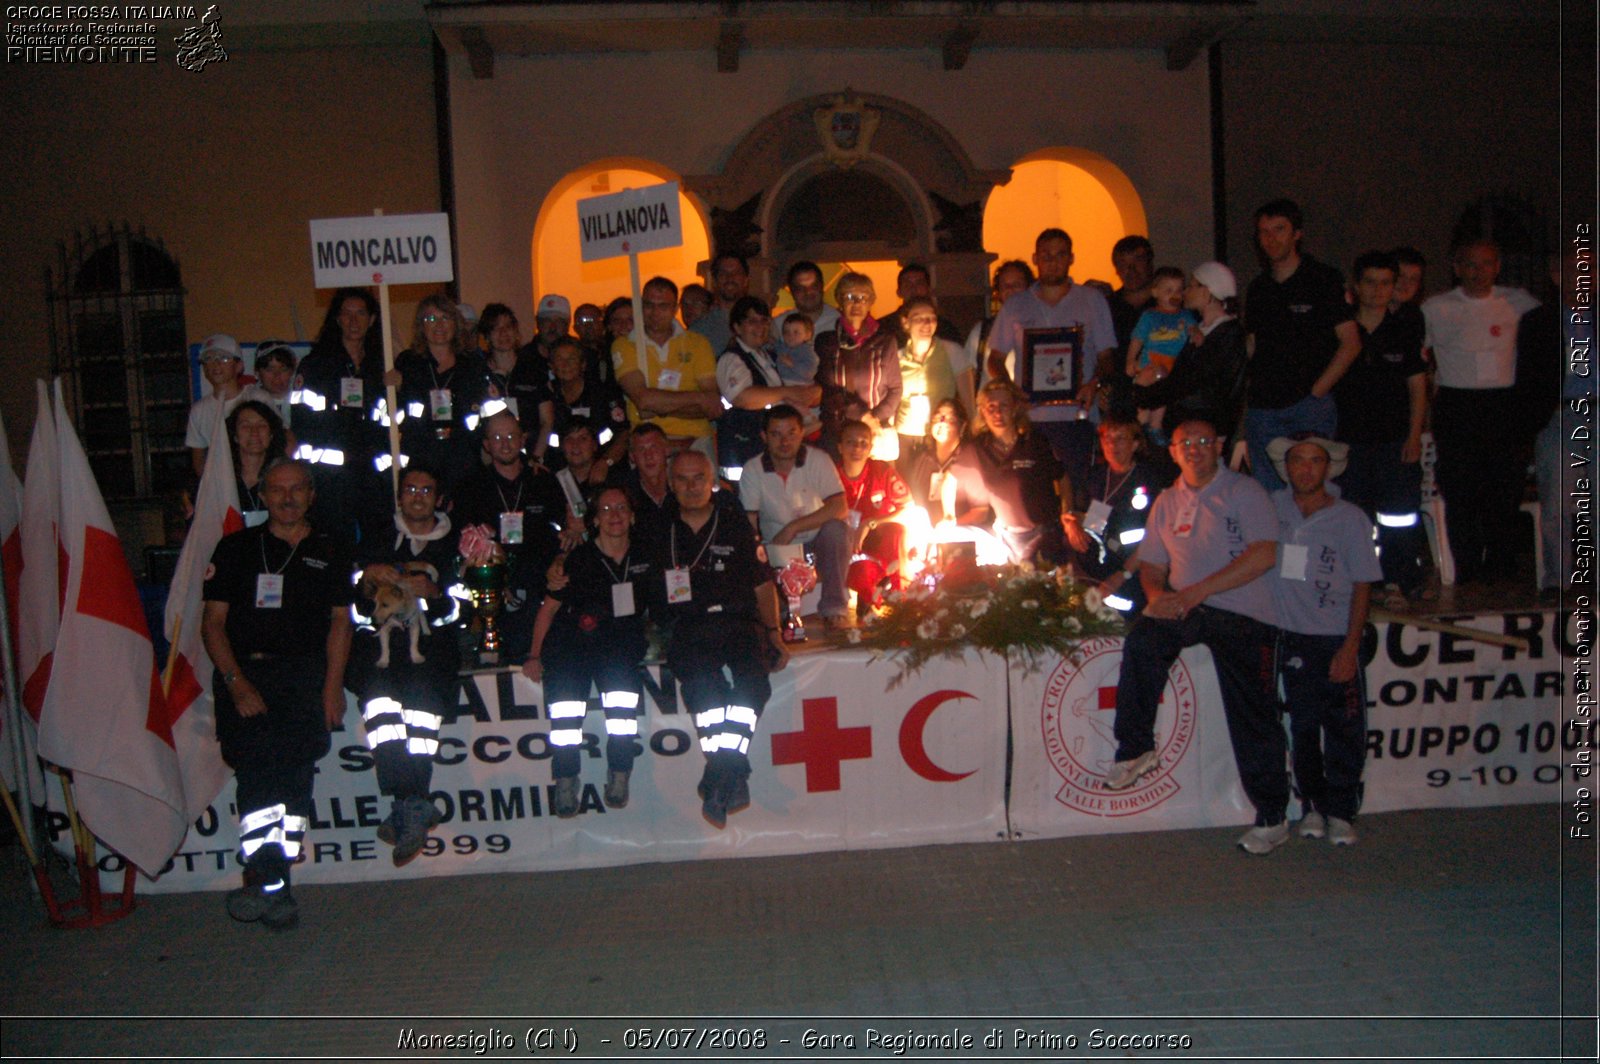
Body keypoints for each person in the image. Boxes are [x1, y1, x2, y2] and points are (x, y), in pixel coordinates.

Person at [1103, 419, 1289, 856]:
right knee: (1144, 640)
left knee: (1253, 713)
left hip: (1241, 610)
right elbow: (1151, 560)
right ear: (1171, 451)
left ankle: (1273, 815)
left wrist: (1197, 591)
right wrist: (1155, 596)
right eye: (1186, 443)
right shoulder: (1167, 500)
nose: (1195, 449)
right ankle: (1135, 749)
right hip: (1186, 605)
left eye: (1205, 441)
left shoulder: (1244, 492)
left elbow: (1264, 554)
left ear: (1220, 446)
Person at [201, 458, 353, 929]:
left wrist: (333, 688)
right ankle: (270, 879)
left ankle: (274, 880)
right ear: (262, 496)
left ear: (311, 494)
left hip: (305, 681)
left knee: (293, 783)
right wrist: (236, 683)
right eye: (277, 490)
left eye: (297, 489)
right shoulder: (235, 549)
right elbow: (213, 625)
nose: (287, 498)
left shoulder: (330, 550)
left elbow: (341, 623)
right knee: (260, 780)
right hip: (246, 679)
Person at [655, 449, 787, 828]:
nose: (692, 486)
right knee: (705, 693)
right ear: (670, 483)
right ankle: (731, 773)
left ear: (711, 481)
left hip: (738, 622)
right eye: (682, 479)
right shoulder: (657, 528)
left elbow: (762, 584)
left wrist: (775, 633)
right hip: (689, 627)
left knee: (752, 687)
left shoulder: (734, 524)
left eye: (699, 478)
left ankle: (718, 775)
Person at [1266, 434, 1381, 847]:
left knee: (1345, 728)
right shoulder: (1271, 508)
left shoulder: (1350, 518)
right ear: (1287, 467)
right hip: (1290, 636)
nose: (1307, 468)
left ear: (1328, 467)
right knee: (1302, 726)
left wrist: (1350, 647)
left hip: (1334, 636)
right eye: (1299, 461)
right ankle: (1312, 805)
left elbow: (1364, 584)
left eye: (1316, 461)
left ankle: (1342, 810)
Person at [348, 463, 458, 865]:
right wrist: (364, 583)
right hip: (381, 659)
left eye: (426, 490)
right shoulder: (376, 540)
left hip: (430, 656)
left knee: (421, 724)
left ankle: (405, 808)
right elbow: (356, 612)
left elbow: (458, 613)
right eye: (410, 489)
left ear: (438, 498)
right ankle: (413, 805)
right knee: (382, 717)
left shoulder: (454, 543)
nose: (417, 496)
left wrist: (435, 595)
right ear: (399, 496)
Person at [526, 486, 655, 816]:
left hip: (620, 650)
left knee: (623, 720)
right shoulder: (577, 560)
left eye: (622, 507)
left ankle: (620, 773)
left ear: (633, 516)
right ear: (594, 520)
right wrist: (534, 654)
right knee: (565, 721)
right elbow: (548, 610)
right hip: (572, 650)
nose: (614, 515)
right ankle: (566, 779)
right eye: (606, 509)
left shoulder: (645, 555)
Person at [1421, 239, 1540, 583]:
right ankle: (1469, 569)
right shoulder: (1436, 307)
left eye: (1486, 264)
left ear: (1497, 266)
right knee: (1460, 491)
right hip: (1458, 405)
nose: (1478, 272)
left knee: (1504, 489)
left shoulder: (1520, 303)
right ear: (1456, 267)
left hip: (1503, 406)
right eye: (1470, 265)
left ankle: (1502, 566)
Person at [986, 228, 1118, 507]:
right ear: (1035, 258)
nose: (1053, 261)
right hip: (1031, 419)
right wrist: (1012, 391)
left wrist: (1093, 383)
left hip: (1077, 418)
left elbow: (1108, 356)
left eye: (1060, 255)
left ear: (1071, 258)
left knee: (1079, 496)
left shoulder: (1092, 301)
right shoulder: (1017, 305)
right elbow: (994, 358)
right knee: (1036, 499)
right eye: (1046, 255)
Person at [1242, 199, 1361, 491]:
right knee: (1269, 495)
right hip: (1264, 408)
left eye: (1279, 229)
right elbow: (1252, 346)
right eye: (1264, 231)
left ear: (1297, 234)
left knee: (1309, 491)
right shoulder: (1259, 288)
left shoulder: (1323, 279)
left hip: (1307, 407)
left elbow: (1351, 343)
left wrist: (1317, 392)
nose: (1271, 238)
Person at [1335, 251, 1429, 603]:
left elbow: (1418, 388)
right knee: (1354, 516)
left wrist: (1414, 435)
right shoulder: (1342, 332)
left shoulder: (1404, 331)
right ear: (1356, 287)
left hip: (1393, 442)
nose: (1378, 290)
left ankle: (1399, 580)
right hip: (1349, 444)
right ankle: (1360, 584)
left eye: (1386, 283)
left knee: (1399, 516)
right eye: (1370, 282)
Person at [451, 411, 580, 661]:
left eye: (511, 435)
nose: (505, 443)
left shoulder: (544, 481)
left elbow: (569, 532)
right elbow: (462, 545)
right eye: (497, 437)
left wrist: (566, 546)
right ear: (487, 445)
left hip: (542, 587)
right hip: (493, 592)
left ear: (523, 439)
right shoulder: (471, 487)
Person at [292, 287, 390, 547]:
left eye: (360, 314)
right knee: (333, 549)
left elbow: (388, 426)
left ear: (371, 320)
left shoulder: (382, 366)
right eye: (346, 314)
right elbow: (301, 424)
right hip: (329, 481)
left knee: (377, 547)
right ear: (336, 319)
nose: (353, 321)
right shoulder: (315, 366)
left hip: (373, 480)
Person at [738, 405, 852, 627]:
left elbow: (840, 506)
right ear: (764, 437)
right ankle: (775, 612)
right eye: (776, 434)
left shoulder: (818, 460)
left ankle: (834, 608)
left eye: (791, 432)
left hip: (816, 540)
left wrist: (793, 528)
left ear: (802, 433)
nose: (785, 441)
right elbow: (749, 523)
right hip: (776, 547)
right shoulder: (753, 469)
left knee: (837, 530)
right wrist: (758, 551)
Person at [1131, 262, 1249, 447]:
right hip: (1186, 427)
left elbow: (1192, 381)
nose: (1185, 292)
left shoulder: (1227, 333)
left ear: (1207, 292)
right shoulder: (1200, 329)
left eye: (1192, 285)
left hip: (1202, 431)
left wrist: (1145, 393)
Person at [611, 275, 723, 463]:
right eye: (649, 305)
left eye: (663, 306)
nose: (654, 312)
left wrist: (658, 407)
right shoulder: (625, 345)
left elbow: (711, 407)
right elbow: (643, 399)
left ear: (675, 309)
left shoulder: (698, 343)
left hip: (695, 442)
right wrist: (698, 397)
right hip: (647, 443)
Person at [1062, 415, 1166, 614]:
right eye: (1107, 439)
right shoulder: (1096, 476)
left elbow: (1155, 536)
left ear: (1135, 444)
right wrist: (1071, 523)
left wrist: (1122, 575)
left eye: (1120, 439)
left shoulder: (1149, 479)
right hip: (1099, 561)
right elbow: (1081, 513)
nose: (1112, 445)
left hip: (1133, 567)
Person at [957, 379, 1069, 565]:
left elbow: (1063, 480)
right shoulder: (978, 448)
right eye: (991, 406)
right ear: (982, 411)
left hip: (1042, 536)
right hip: (1005, 539)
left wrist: (1068, 518)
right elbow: (952, 476)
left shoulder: (1034, 442)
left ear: (1015, 408)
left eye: (1004, 405)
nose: (997, 412)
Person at [395, 294, 491, 495]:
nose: (439, 324)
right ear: (421, 326)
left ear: (455, 324)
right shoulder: (408, 363)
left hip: (462, 457)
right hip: (421, 457)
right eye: (431, 319)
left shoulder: (472, 364)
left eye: (445, 318)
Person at [716, 296, 823, 475]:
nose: (760, 327)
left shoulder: (769, 356)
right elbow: (742, 397)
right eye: (752, 321)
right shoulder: (732, 359)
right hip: (744, 455)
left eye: (764, 321)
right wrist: (788, 392)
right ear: (737, 327)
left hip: (769, 455)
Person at [815, 271, 901, 454]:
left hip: (875, 434)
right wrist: (862, 416)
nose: (856, 303)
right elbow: (828, 389)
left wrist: (873, 420)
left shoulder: (885, 341)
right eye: (850, 296)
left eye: (863, 297)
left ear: (871, 302)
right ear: (840, 301)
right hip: (838, 432)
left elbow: (895, 389)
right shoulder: (826, 342)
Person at [835, 418, 912, 611]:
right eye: (850, 442)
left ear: (870, 448)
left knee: (897, 531)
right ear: (840, 447)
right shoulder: (830, 475)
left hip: (877, 541)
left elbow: (907, 509)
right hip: (845, 544)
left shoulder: (882, 471)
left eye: (863, 443)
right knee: (861, 574)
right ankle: (868, 598)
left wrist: (871, 523)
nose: (857, 449)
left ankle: (899, 597)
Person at [894, 296, 971, 471]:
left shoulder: (952, 352)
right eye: (919, 318)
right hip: (906, 434)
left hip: (941, 432)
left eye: (931, 318)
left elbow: (968, 400)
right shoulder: (897, 357)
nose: (926, 323)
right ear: (906, 322)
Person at [478, 303, 555, 465]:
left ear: (516, 332)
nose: (503, 333)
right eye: (496, 329)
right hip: (494, 460)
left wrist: (537, 457)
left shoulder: (533, 368)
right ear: (486, 337)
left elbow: (547, 420)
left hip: (532, 457)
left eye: (508, 327)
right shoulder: (479, 374)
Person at [548, 335, 629, 469]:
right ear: (551, 366)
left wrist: (605, 463)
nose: (566, 364)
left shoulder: (604, 394)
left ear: (583, 364)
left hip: (603, 468)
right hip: (558, 470)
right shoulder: (545, 397)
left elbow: (623, 433)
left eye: (572, 359)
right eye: (559, 359)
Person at [966, 259, 1034, 390]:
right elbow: (969, 373)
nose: (1011, 290)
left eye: (1017, 284)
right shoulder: (982, 331)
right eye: (1005, 285)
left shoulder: (1040, 328)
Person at [187, 333, 248, 478]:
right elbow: (199, 458)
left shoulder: (257, 398)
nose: (216, 364)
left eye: (224, 358)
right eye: (209, 359)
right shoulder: (198, 410)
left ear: (238, 365)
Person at [1125, 267, 1198, 381]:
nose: (1175, 295)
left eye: (1179, 291)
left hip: (1176, 366)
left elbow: (1194, 329)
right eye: (1169, 291)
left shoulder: (1186, 315)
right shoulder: (1150, 316)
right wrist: (1130, 360)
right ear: (1155, 292)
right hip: (1150, 365)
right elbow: (1137, 340)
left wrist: (1196, 334)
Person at [226, 400, 289, 529]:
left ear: (271, 434)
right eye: (245, 426)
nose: (254, 432)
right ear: (235, 436)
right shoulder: (221, 478)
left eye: (262, 425)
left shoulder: (286, 477)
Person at [884, 262, 963, 345]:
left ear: (928, 289)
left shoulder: (945, 329)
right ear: (899, 292)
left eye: (919, 283)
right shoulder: (885, 327)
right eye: (907, 284)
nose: (913, 288)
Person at [690, 251, 751, 354]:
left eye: (736, 273)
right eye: (723, 273)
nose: (730, 278)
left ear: (746, 280)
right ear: (715, 281)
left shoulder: (760, 322)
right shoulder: (700, 329)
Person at [238, 340, 297, 435]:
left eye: (283, 369)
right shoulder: (247, 401)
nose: (277, 375)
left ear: (292, 372)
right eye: (269, 369)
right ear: (257, 373)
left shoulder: (305, 400)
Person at [772, 259, 840, 341]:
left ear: (821, 287)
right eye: (800, 288)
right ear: (792, 292)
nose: (808, 292)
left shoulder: (839, 321)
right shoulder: (779, 325)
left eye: (813, 286)